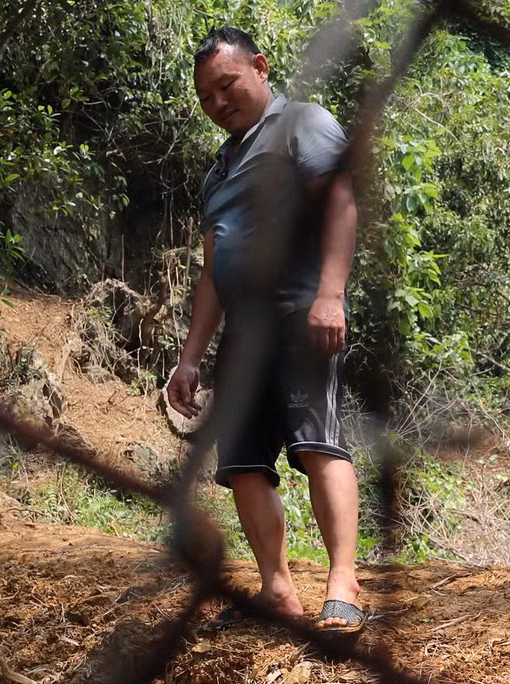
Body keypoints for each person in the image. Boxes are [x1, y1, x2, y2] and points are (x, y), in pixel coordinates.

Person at [166, 26, 363, 631]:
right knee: (243, 462)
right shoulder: (218, 169)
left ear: (259, 67)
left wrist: (331, 296)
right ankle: (277, 593)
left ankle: (344, 584)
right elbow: (210, 273)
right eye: (206, 97)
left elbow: (341, 202)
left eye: (227, 85)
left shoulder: (301, 122)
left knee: (316, 442)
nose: (218, 102)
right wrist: (191, 357)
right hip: (242, 337)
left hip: (301, 317)